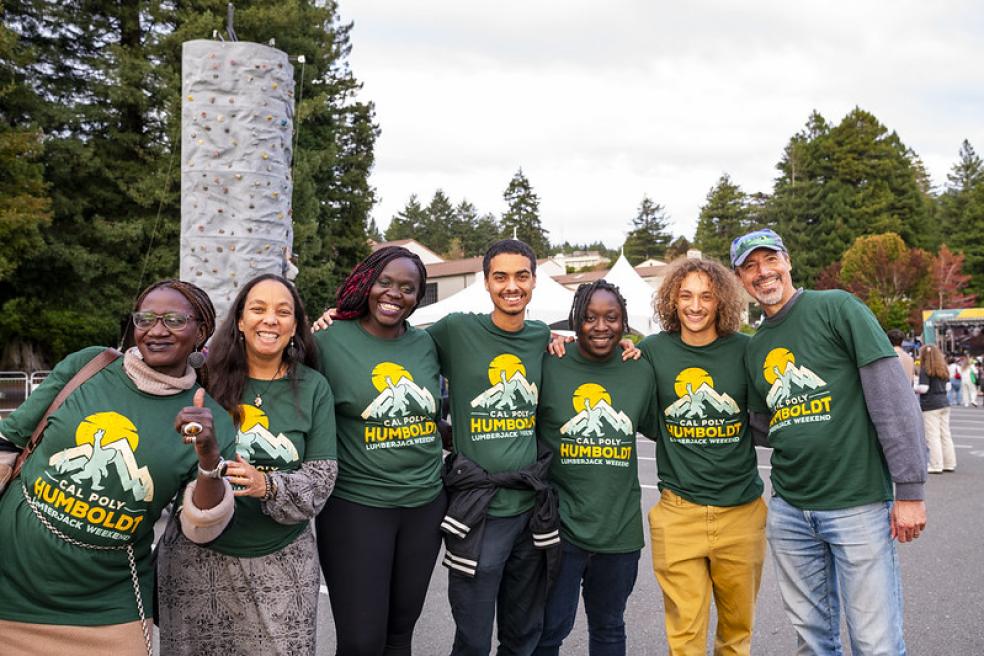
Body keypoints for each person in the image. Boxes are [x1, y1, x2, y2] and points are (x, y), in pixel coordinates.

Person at [0, 280, 235, 656]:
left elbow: (201, 526)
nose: (157, 330)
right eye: (146, 318)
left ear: (201, 331)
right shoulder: (89, 365)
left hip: (107, 611)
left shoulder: (214, 423)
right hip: (7, 588)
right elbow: (8, 441)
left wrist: (209, 458)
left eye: (174, 320)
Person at [732, 228, 927, 655]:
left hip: (856, 504)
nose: (762, 273)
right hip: (790, 510)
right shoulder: (755, 346)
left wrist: (909, 490)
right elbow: (766, 424)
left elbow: (892, 398)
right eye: (749, 267)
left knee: (875, 641)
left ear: (787, 261)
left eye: (769, 260)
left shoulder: (836, 307)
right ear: (740, 280)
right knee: (813, 641)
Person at [157, 274, 337, 655]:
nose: (270, 319)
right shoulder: (202, 380)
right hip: (197, 562)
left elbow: (322, 479)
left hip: (283, 564)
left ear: (295, 326)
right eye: (258, 309)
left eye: (282, 312)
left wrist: (267, 485)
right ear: (239, 320)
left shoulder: (314, 387)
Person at [314, 246, 447, 656]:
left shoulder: (426, 343)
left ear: (418, 296)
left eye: (408, 288)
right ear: (366, 282)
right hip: (356, 507)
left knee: (398, 637)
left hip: (425, 505)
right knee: (360, 642)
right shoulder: (327, 339)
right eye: (385, 282)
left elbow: (491, 345)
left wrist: (546, 337)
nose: (394, 294)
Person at [429, 239, 555, 656]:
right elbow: (396, 343)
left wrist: (626, 345)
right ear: (486, 282)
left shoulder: (542, 337)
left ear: (534, 281)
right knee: (473, 640)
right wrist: (341, 317)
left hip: (530, 512)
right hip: (480, 514)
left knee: (522, 636)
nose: (511, 286)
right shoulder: (458, 329)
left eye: (521, 276)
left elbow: (592, 349)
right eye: (500, 276)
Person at [638, 257, 766, 656]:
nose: (695, 306)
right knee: (685, 638)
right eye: (686, 295)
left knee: (736, 633)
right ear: (672, 300)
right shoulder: (652, 351)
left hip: (741, 513)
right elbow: (637, 407)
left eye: (706, 296)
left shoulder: (745, 349)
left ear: (721, 302)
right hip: (678, 513)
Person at [533, 281, 656, 656]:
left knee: (609, 628)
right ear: (575, 321)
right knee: (549, 630)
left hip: (618, 532)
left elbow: (664, 426)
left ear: (624, 324)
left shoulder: (639, 370)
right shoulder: (550, 362)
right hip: (561, 529)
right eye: (589, 317)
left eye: (611, 318)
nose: (600, 326)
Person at [915, 345, 956, 474]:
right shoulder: (943, 369)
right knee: (945, 434)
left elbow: (924, 389)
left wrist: (914, 387)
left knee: (933, 436)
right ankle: (949, 463)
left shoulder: (925, 370)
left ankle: (936, 464)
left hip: (930, 405)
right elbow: (948, 387)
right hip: (944, 403)